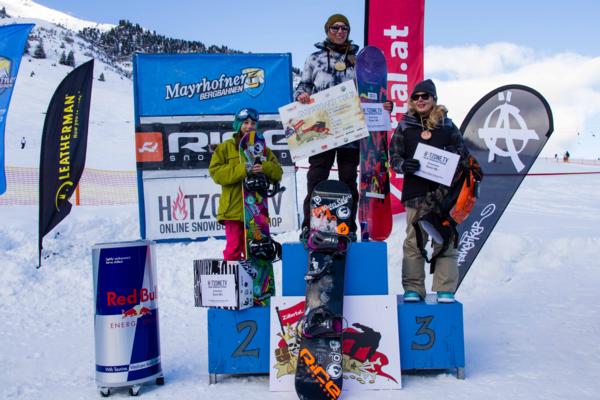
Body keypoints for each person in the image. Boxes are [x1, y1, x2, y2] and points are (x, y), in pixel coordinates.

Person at [294, 14, 392, 241]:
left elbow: (371, 91)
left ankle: (348, 227)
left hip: (350, 130)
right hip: (321, 129)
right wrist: (302, 96)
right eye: (335, 28)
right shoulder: (314, 59)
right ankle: (311, 226)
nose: (340, 31)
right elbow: (303, 85)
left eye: (344, 28)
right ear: (327, 30)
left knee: (348, 179)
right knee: (317, 177)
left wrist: (384, 104)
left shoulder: (359, 61)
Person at [389, 79, 467, 304]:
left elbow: (464, 154)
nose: (421, 100)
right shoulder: (404, 126)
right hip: (416, 194)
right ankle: (413, 288)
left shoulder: (448, 125)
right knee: (414, 241)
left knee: (445, 239)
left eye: (426, 96)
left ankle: (445, 289)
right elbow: (393, 158)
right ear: (412, 101)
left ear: (434, 99)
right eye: (416, 97)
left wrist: (451, 153)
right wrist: (403, 165)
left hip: (444, 196)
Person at [209, 108, 283, 261]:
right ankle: (233, 282)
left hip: (256, 211)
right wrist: (243, 169)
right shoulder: (225, 148)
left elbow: (278, 172)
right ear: (238, 125)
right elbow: (217, 174)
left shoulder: (263, 149)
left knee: (255, 250)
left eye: (253, 123)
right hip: (233, 210)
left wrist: (265, 167)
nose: (249, 126)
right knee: (234, 249)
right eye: (246, 123)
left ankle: (253, 283)